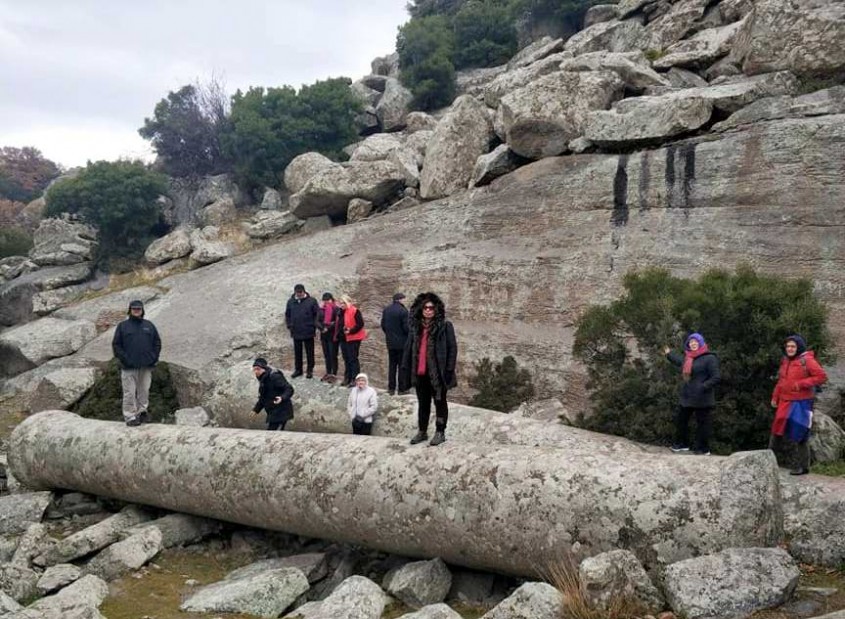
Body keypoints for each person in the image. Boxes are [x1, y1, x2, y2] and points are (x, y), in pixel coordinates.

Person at [399, 292, 458, 447]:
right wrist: (405, 369)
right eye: (425, 307)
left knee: (440, 402)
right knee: (423, 403)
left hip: (438, 374)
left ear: (436, 309)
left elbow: (452, 349)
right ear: (420, 309)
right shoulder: (415, 328)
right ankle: (422, 431)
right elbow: (408, 349)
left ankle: (440, 432)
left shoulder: (445, 326)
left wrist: (449, 370)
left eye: (431, 308)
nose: (428, 310)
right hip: (420, 373)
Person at [769, 334, 828, 475]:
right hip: (785, 400)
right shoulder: (785, 361)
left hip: (801, 402)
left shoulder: (807, 360)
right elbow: (781, 381)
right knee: (776, 430)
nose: (790, 349)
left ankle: (802, 466)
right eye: (788, 346)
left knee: (800, 432)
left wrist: (801, 384)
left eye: (793, 346)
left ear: (798, 347)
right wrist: (775, 396)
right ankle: (768, 462)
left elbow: (821, 376)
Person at [664, 333, 720, 455]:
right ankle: (681, 444)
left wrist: (702, 386)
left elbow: (716, 377)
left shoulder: (710, 358)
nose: (693, 344)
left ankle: (703, 449)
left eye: (695, 342)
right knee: (681, 420)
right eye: (691, 342)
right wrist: (668, 354)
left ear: (701, 343)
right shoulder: (688, 358)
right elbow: (679, 361)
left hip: (703, 397)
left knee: (702, 424)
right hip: (688, 396)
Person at [112, 299, 161, 427]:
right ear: (130, 310)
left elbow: (157, 343)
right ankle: (130, 416)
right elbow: (116, 345)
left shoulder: (149, 325)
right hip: (129, 366)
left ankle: (142, 412)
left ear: (142, 310)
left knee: (144, 390)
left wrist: (154, 358)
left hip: (146, 366)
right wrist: (125, 359)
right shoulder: (123, 326)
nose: (136, 311)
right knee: (129, 392)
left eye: (138, 309)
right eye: (134, 309)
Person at [285, 284, 319, 378]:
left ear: (304, 291)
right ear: (295, 292)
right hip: (296, 331)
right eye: (297, 293)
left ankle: (309, 370)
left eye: (301, 293)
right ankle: (298, 370)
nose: (299, 294)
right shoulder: (291, 302)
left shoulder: (312, 301)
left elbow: (317, 314)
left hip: (308, 331)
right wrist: (289, 325)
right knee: (297, 352)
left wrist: (314, 326)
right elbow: (287, 315)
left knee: (310, 352)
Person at [251, 358, 295, 431]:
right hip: (273, 412)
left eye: (258, 369)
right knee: (273, 433)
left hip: (281, 411)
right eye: (254, 370)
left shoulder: (274, 376)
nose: (256, 372)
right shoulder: (263, 379)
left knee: (273, 434)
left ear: (264, 368)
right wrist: (256, 410)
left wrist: (282, 398)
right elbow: (263, 397)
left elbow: (289, 389)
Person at [381, 292, 409, 395]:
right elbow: (406, 328)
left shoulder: (386, 310)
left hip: (390, 342)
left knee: (392, 366)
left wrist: (389, 335)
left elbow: (383, 325)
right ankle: (402, 389)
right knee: (402, 366)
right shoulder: (403, 311)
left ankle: (391, 388)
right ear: (401, 299)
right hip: (402, 343)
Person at [337, 295, 367, 387]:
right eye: (340, 303)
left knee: (353, 359)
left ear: (348, 302)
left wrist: (351, 330)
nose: (341, 305)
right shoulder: (340, 312)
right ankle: (347, 377)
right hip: (343, 338)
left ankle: (355, 378)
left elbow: (360, 324)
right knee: (346, 359)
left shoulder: (355, 311)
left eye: (343, 303)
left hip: (353, 338)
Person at [317, 292, 341, 382]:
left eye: (328, 300)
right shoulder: (321, 309)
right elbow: (317, 320)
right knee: (326, 355)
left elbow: (337, 322)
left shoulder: (336, 309)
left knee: (333, 355)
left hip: (332, 336)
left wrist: (328, 327)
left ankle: (334, 374)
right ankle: (328, 372)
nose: (326, 302)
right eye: (325, 300)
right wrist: (322, 328)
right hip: (324, 335)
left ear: (332, 299)